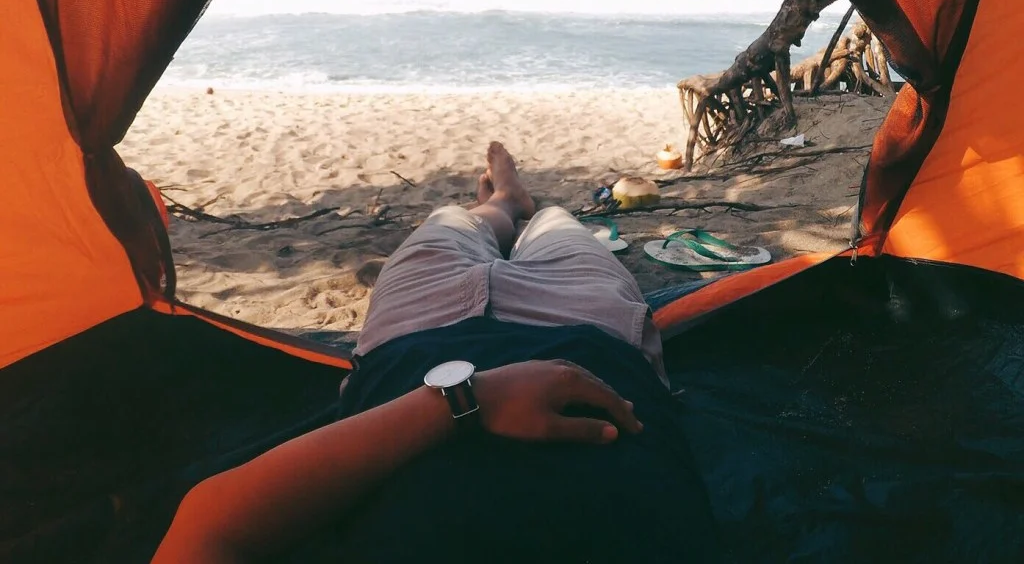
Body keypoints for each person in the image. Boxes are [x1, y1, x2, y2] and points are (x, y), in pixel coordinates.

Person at [154, 143, 720, 563]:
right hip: (586, 336)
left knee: (450, 225)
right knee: (559, 226)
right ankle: (523, 208)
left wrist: (461, 403)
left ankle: (501, 202)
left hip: (415, 342)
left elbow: (208, 528)